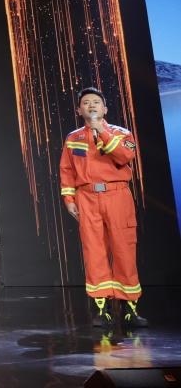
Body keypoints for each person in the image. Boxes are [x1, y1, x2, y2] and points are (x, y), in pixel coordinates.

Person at [59, 87, 146, 328]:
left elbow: (124, 157)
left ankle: (130, 309)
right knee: (94, 251)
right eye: (86, 102)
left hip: (117, 196)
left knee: (124, 249)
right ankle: (102, 309)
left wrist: (101, 131)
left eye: (96, 102)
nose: (91, 105)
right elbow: (66, 171)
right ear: (79, 110)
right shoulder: (73, 138)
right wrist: (69, 200)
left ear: (105, 109)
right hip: (87, 197)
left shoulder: (122, 133)